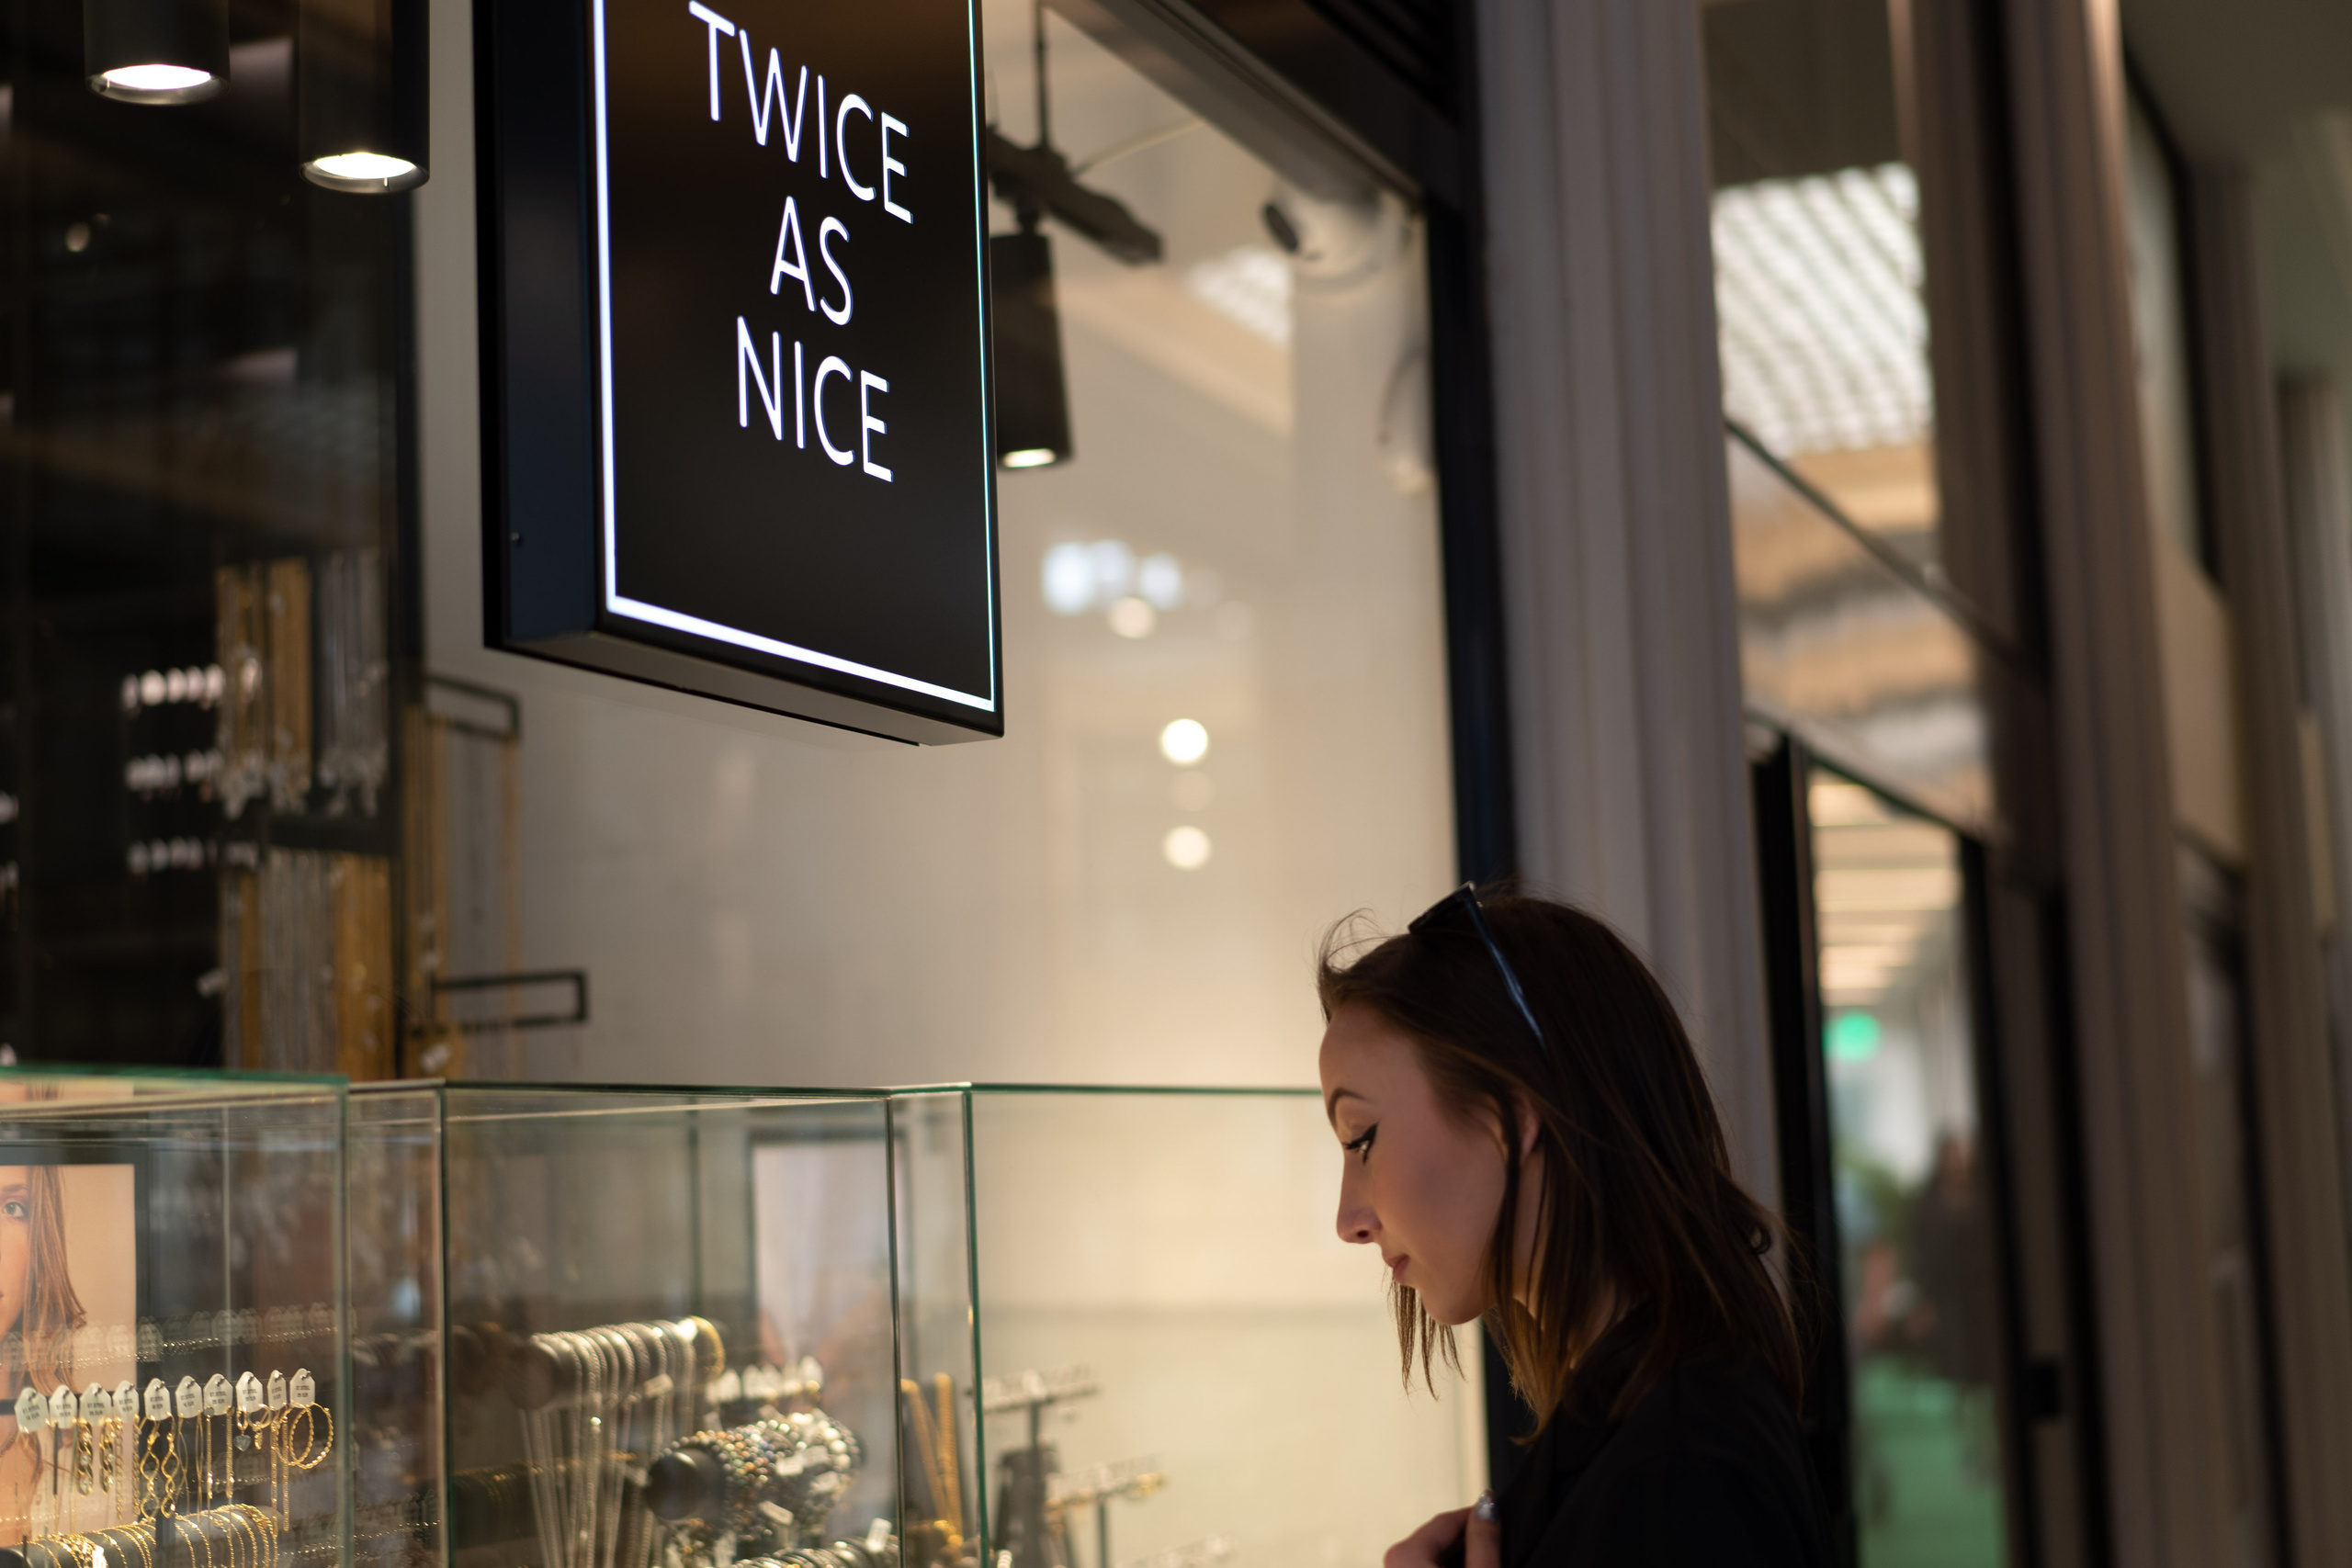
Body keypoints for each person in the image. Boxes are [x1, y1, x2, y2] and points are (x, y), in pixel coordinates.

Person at [1317, 887, 1832, 1568]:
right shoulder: (1657, 1423)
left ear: (1510, 1118)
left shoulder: (1678, 1469)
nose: (1348, 1220)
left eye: (1361, 1139)